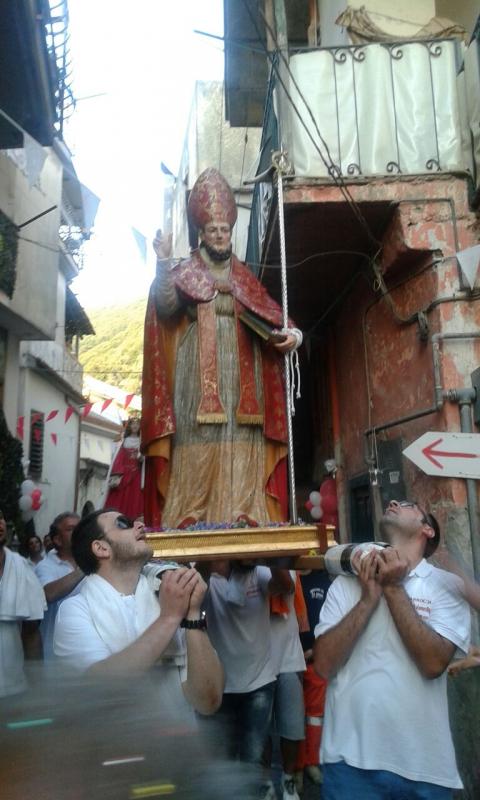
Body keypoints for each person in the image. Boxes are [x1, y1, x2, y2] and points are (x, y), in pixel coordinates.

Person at [141, 167, 302, 528]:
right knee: (199, 435)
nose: (219, 234)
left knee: (244, 436)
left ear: (231, 232)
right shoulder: (186, 270)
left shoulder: (244, 275)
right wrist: (164, 262)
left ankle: (246, 509)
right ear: (201, 233)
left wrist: (292, 336)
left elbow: (274, 314)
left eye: (224, 230)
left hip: (245, 373)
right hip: (196, 376)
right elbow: (166, 307)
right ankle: (190, 512)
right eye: (212, 230)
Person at [314, 499, 470, 799]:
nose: (393, 501)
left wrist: (393, 588)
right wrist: (368, 599)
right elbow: (323, 665)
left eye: (409, 504)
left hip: (425, 770)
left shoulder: (446, 586)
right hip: (350, 764)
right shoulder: (348, 584)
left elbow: (433, 664)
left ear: (427, 530)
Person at [53, 510, 224, 720]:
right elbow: (98, 688)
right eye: (123, 524)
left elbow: (208, 702)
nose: (140, 526)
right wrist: (169, 618)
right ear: (101, 547)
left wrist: (193, 614)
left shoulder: (167, 592)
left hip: (176, 745)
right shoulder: (75, 610)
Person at [200, 560, 294, 798]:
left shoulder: (258, 570)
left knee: (252, 763)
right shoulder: (206, 574)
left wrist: (272, 555)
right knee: (223, 765)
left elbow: (285, 586)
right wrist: (206, 561)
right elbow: (193, 595)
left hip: (259, 683)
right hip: (219, 686)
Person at [0, 508, 45, 697]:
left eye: (0, 517)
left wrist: (37, 686)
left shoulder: (21, 568)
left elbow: (31, 632)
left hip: (14, 687)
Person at [35, 512, 84, 658]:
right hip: (55, 651)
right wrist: (84, 569)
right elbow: (49, 594)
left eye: (81, 527)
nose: (79, 532)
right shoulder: (45, 566)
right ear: (57, 539)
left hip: (86, 648)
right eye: (71, 529)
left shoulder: (94, 562)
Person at [104, 417, 144, 519]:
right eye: (133, 424)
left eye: (137, 424)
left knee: (134, 498)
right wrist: (119, 470)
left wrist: (142, 458)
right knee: (119, 498)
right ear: (129, 426)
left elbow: (145, 459)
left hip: (136, 475)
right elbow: (117, 456)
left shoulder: (142, 441)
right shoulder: (123, 440)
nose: (135, 426)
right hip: (123, 473)